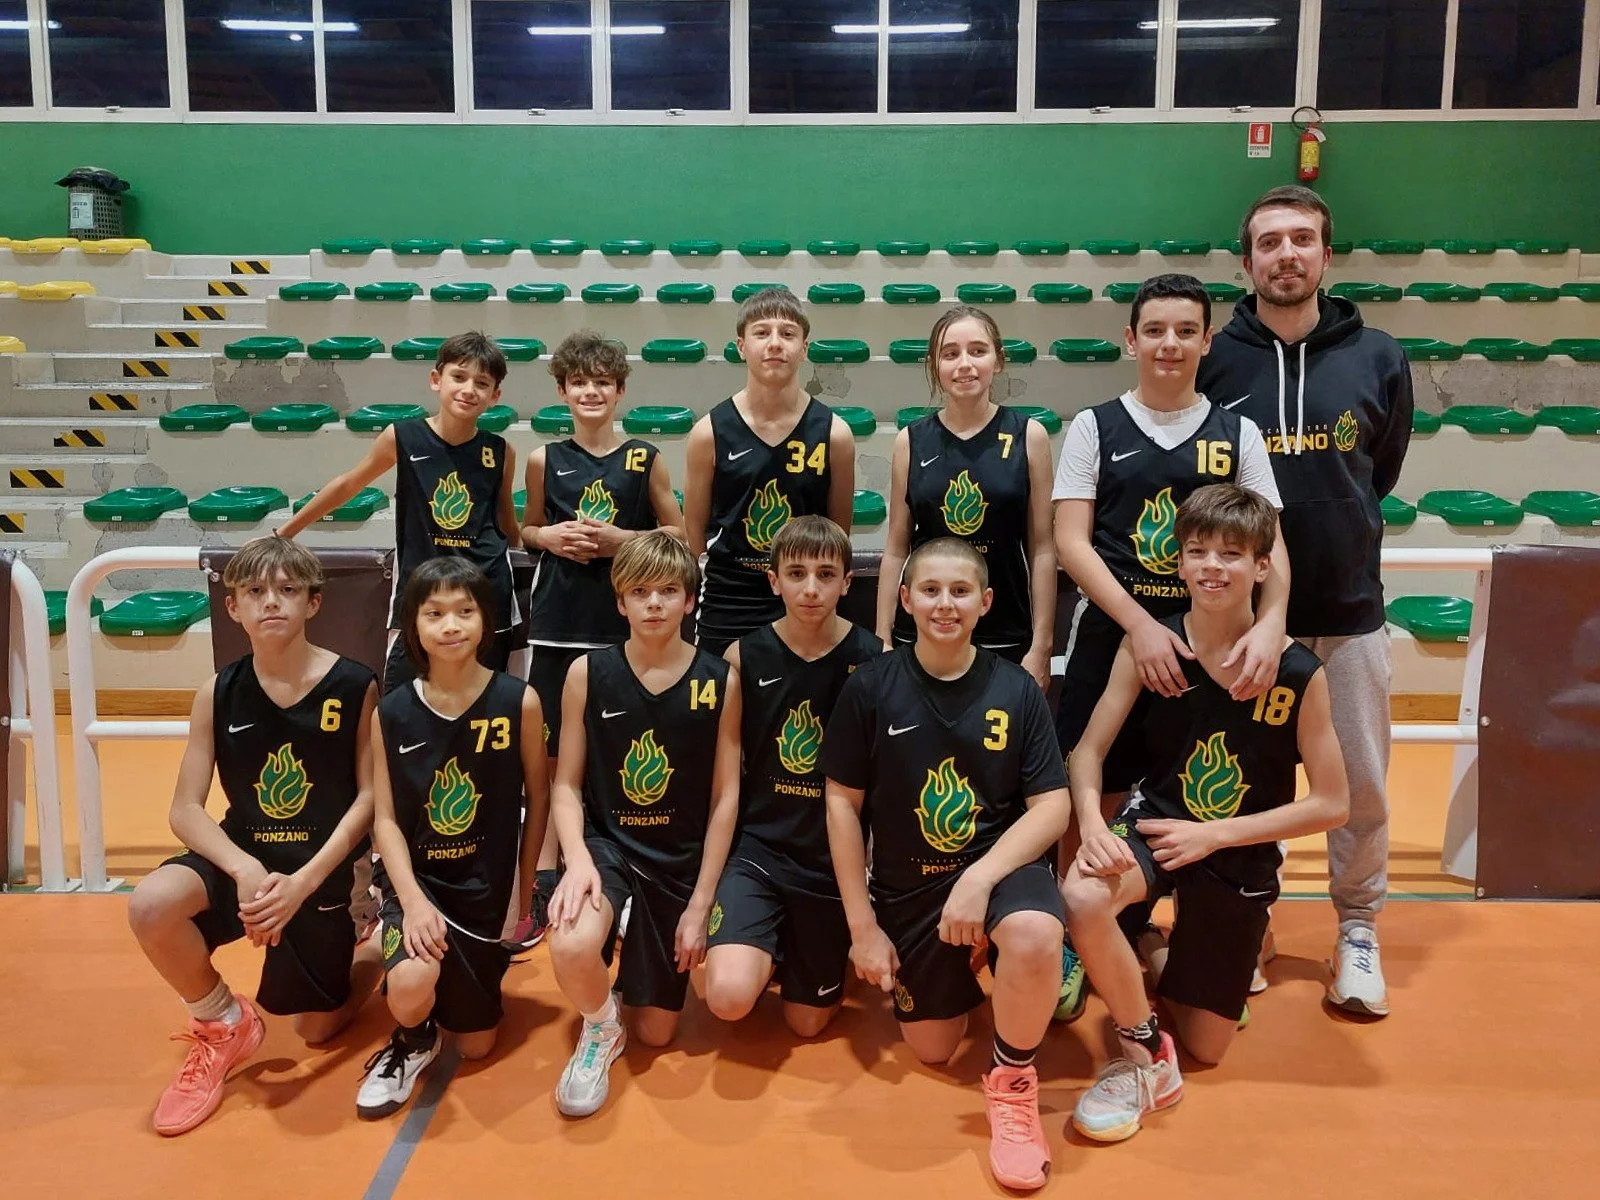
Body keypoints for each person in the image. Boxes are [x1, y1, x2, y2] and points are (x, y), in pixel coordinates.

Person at [1061, 484, 1349, 1143]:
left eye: (1230, 553)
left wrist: (1216, 834)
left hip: (1235, 847)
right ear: (1179, 562)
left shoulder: (1300, 673)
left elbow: (1335, 804)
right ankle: (1141, 1055)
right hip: (1159, 826)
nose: (1212, 566)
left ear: (1262, 566)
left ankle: (1155, 949)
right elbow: (1086, 754)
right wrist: (1096, 825)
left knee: (1209, 1044)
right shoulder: (1153, 650)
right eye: (1197, 552)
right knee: (1081, 893)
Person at [1197, 186, 1413, 1016]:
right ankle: (1251, 924)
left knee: (1358, 787)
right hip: (1245, 625)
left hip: (1349, 612)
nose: (1285, 254)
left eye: (1302, 240)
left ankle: (1358, 929)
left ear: (1327, 255)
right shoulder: (1218, 361)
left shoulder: (1380, 357)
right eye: (1268, 242)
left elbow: (1378, 472)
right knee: (1252, 783)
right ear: (1245, 262)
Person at [1052, 272, 1288, 1021]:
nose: (1169, 343)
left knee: (1192, 793)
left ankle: (1197, 930)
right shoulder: (1093, 426)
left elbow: (1272, 544)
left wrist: (1275, 620)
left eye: (1186, 330)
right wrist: (1141, 626)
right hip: (1119, 634)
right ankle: (1083, 934)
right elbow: (1070, 542)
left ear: (1206, 341)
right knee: (1097, 788)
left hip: (1212, 642)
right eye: (1155, 329)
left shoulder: (1237, 432)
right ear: (1131, 339)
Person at [824, 538, 1071, 1193]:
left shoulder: (1016, 689)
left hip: (996, 870)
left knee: (1035, 933)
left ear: (985, 603)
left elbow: (1052, 808)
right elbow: (841, 807)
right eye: (929, 589)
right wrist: (862, 928)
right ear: (904, 599)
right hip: (909, 888)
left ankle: (1013, 1082)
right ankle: (982, 965)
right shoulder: (870, 689)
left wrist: (980, 879)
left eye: (961, 591)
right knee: (932, 1048)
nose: (945, 603)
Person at [126, 536, 381, 1136]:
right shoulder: (217, 691)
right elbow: (185, 810)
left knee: (315, 1029)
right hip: (246, 856)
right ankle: (220, 1021)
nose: (272, 602)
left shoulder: (354, 684)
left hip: (319, 869)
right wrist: (243, 871)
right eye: (255, 591)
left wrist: (302, 884)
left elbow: (370, 800)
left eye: (288, 590)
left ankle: (370, 943)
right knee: (152, 905)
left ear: (313, 603)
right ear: (232, 606)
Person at [545, 530, 742, 1118]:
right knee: (570, 942)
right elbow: (565, 784)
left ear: (689, 601)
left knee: (658, 1033)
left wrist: (702, 902)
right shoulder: (587, 674)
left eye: (668, 591)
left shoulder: (719, 681)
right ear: (619, 601)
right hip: (609, 849)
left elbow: (725, 796)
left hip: (679, 860)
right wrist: (576, 859)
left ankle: (635, 942)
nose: (653, 602)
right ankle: (601, 1027)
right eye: (640, 592)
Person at [355, 558, 548, 1119]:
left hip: (485, 891)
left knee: (478, 1043)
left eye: (465, 611)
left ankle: (456, 983)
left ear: (487, 620)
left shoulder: (519, 701)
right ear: (411, 624)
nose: (451, 625)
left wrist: (524, 886)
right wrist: (412, 903)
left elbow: (537, 799)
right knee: (414, 985)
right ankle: (411, 1039)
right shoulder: (391, 711)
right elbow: (385, 820)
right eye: (434, 612)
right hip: (418, 887)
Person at [520, 330, 683, 938]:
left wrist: (622, 542)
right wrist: (549, 538)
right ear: (563, 390)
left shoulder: (645, 457)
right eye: (579, 382)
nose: (591, 391)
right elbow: (524, 530)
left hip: (626, 627)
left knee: (616, 751)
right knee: (553, 754)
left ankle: (619, 867)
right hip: (559, 623)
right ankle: (542, 873)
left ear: (619, 391)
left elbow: (683, 538)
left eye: (602, 382)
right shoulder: (545, 457)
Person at [702, 516, 883, 1037]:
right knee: (729, 997)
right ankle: (758, 934)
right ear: (773, 580)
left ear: (848, 583)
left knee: (807, 1024)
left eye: (826, 574)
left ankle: (802, 944)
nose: (810, 588)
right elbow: (726, 782)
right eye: (796, 573)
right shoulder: (742, 657)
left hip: (831, 865)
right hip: (760, 853)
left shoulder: (872, 661)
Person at [277, 331, 521, 695]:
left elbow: (505, 523)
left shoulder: (499, 450)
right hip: (420, 593)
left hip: (485, 594)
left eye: (482, 383)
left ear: (494, 396)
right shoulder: (403, 437)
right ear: (436, 379)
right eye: (459, 377)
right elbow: (348, 485)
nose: (469, 389)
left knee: (481, 703)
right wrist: (284, 534)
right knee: (402, 703)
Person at [878, 306, 1056, 689]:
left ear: (998, 360)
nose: (965, 364)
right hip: (925, 631)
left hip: (1005, 630)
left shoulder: (1030, 437)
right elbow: (895, 549)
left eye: (978, 351)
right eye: (950, 353)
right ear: (934, 364)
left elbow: (1042, 549)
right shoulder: (910, 441)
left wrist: (1041, 645)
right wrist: (884, 638)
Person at [682, 287, 856, 655]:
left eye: (788, 334)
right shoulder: (708, 432)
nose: (775, 343)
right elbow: (694, 533)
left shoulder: (835, 433)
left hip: (803, 600)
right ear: (742, 346)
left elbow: (838, 532)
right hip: (728, 601)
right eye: (762, 332)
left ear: (804, 347)